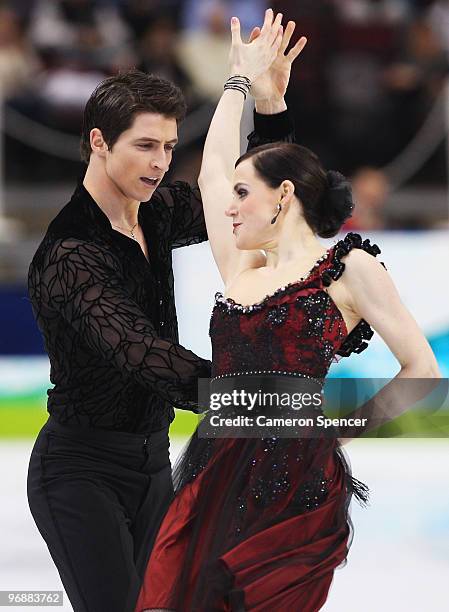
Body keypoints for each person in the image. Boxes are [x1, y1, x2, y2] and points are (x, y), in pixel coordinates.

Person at [136, 9, 441, 612]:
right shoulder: (241, 268)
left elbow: (422, 371)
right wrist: (238, 85)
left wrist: (340, 431)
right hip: (214, 467)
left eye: (244, 196)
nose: (228, 207)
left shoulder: (348, 268)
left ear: (284, 197)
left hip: (297, 480)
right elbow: (216, 172)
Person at [26, 46, 294, 612]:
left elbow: (244, 196)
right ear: (99, 141)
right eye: (145, 146)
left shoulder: (157, 211)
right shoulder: (71, 253)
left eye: (169, 148)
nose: (160, 163)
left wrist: (270, 111)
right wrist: (250, 396)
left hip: (152, 467)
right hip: (80, 474)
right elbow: (145, 357)